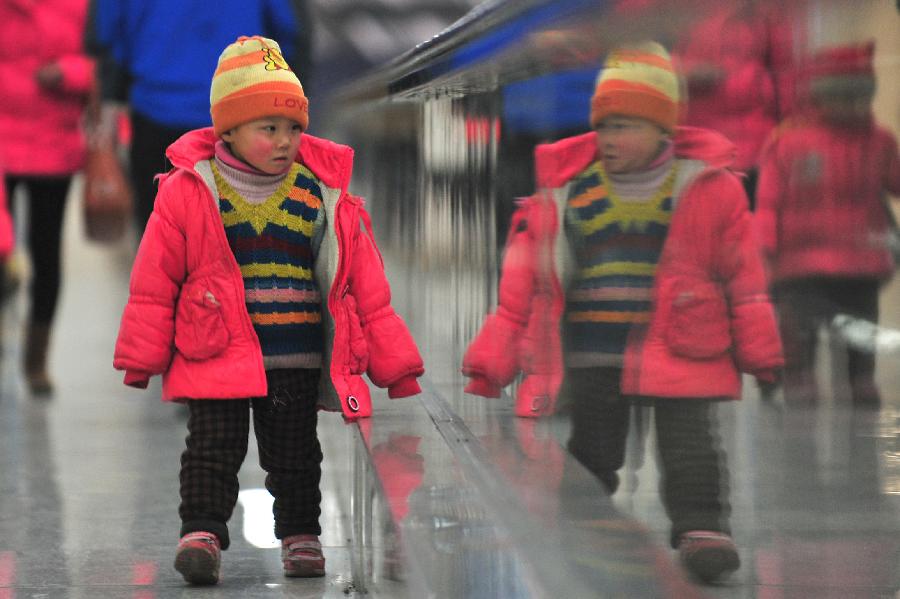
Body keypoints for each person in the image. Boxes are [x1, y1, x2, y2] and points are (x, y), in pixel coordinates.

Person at [462, 42, 783, 584]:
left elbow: (744, 277)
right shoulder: (572, 194)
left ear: (665, 130)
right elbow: (527, 281)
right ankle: (583, 519)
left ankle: (702, 527)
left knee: (691, 445)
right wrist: (496, 351)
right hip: (595, 350)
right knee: (592, 443)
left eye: (626, 126)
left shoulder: (707, 188)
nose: (610, 139)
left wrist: (760, 345)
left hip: (686, 345)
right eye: (604, 126)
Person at [112, 36, 424, 585]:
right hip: (214, 351)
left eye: (294, 129)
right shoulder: (193, 190)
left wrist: (394, 364)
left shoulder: (316, 195)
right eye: (268, 128)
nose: (284, 142)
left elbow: (364, 287)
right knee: (211, 448)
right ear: (227, 129)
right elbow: (154, 280)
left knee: (295, 453)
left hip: (294, 356)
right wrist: (142, 355)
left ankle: (301, 535)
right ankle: (201, 534)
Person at [84, 0, 313, 235]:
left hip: (155, 112)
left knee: (162, 241)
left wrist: (113, 97)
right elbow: (293, 33)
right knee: (240, 244)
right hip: (241, 117)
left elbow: (105, 36)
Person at [755, 41, 900, 409]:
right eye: (841, 98)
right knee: (800, 326)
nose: (851, 107)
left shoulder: (879, 141)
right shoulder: (790, 142)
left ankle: (860, 379)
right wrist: (765, 244)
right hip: (800, 260)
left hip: (859, 258)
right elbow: (770, 199)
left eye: (858, 99)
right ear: (820, 98)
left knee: (861, 324)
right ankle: (800, 375)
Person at [0, 0, 94, 394]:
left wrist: (68, 73)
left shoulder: (84, 6)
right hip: (4, 139)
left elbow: (101, 62)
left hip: (53, 141)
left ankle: (36, 359)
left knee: (46, 253)